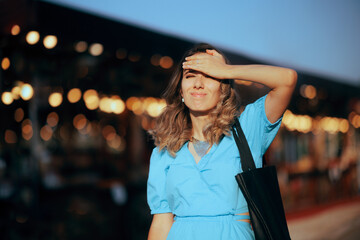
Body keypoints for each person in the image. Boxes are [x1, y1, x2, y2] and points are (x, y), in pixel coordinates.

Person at [147, 43, 297, 240]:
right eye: (190, 75)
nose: (198, 83)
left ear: (223, 90)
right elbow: (161, 224)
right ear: (181, 91)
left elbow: (287, 80)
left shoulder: (247, 130)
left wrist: (226, 70)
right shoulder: (165, 151)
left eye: (209, 75)